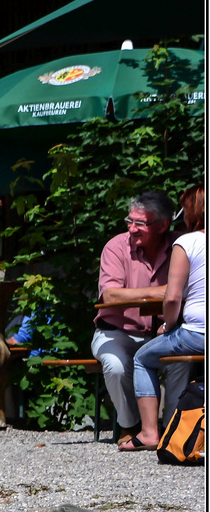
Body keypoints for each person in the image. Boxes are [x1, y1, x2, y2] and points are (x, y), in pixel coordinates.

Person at [93, 191, 177, 443]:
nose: (132, 229)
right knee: (116, 365)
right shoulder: (115, 247)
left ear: (163, 225)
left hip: (165, 330)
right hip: (117, 331)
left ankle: (174, 427)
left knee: (182, 363)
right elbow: (110, 297)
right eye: (129, 221)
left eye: (140, 223)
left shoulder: (180, 247)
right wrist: (158, 292)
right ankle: (129, 425)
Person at [131, 184, 205, 450]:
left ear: (191, 212)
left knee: (142, 357)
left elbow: (172, 297)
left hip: (197, 333)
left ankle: (150, 433)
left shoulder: (187, 242)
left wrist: (169, 325)